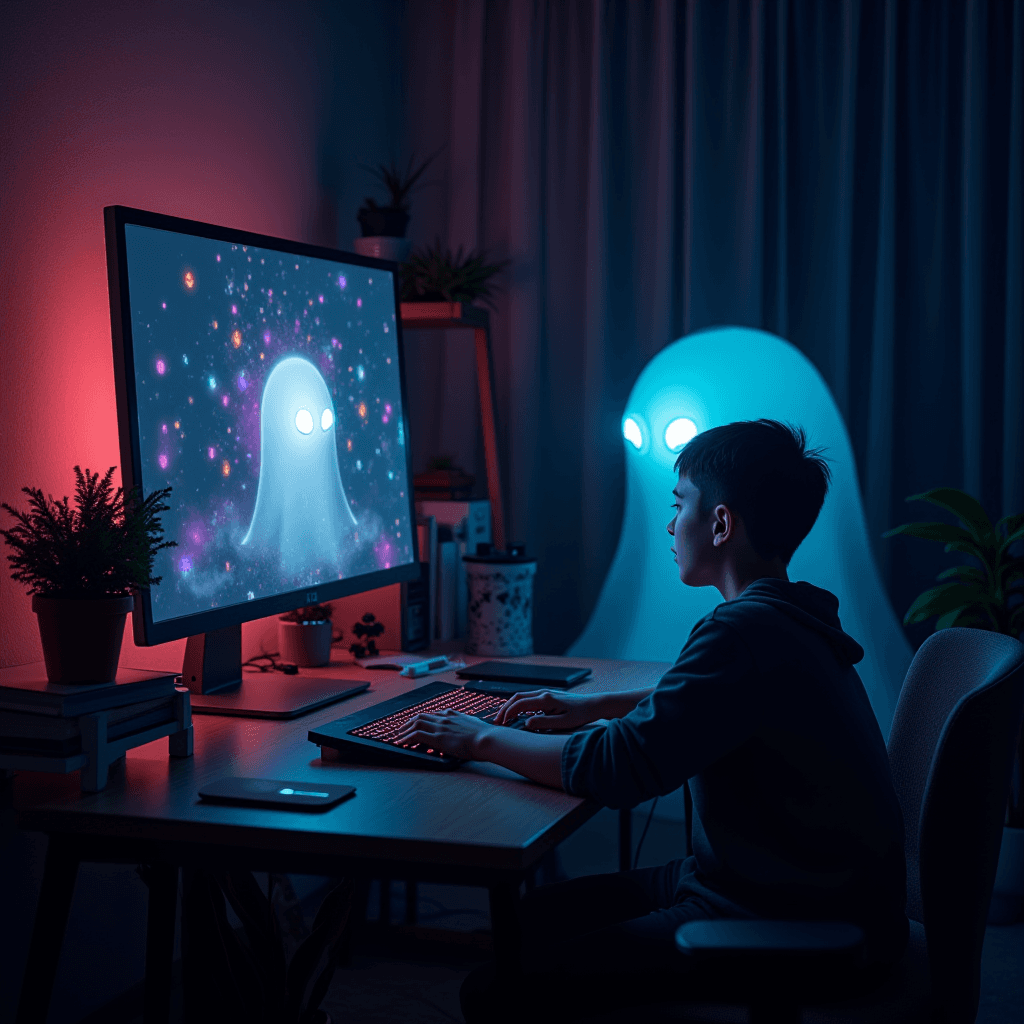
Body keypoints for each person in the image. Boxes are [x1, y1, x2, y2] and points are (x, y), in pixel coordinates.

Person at [396, 419, 908, 1022]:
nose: (670, 525)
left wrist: (480, 737)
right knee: (531, 919)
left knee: (493, 992)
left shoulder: (740, 632)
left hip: (782, 922)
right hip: (786, 890)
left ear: (720, 524)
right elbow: (707, 695)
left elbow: (616, 769)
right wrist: (591, 705)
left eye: (679, 504)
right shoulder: (788, 618)